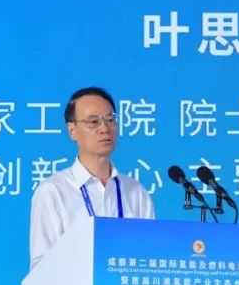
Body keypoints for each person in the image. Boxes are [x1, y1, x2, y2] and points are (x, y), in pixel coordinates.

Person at [28, 86, 155, 267]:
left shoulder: (135, 192)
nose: (104, 128)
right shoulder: (53, 192)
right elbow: (41, 266)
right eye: (93, 122)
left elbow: (150, 256)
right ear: (72, 130)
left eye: (110, 120)